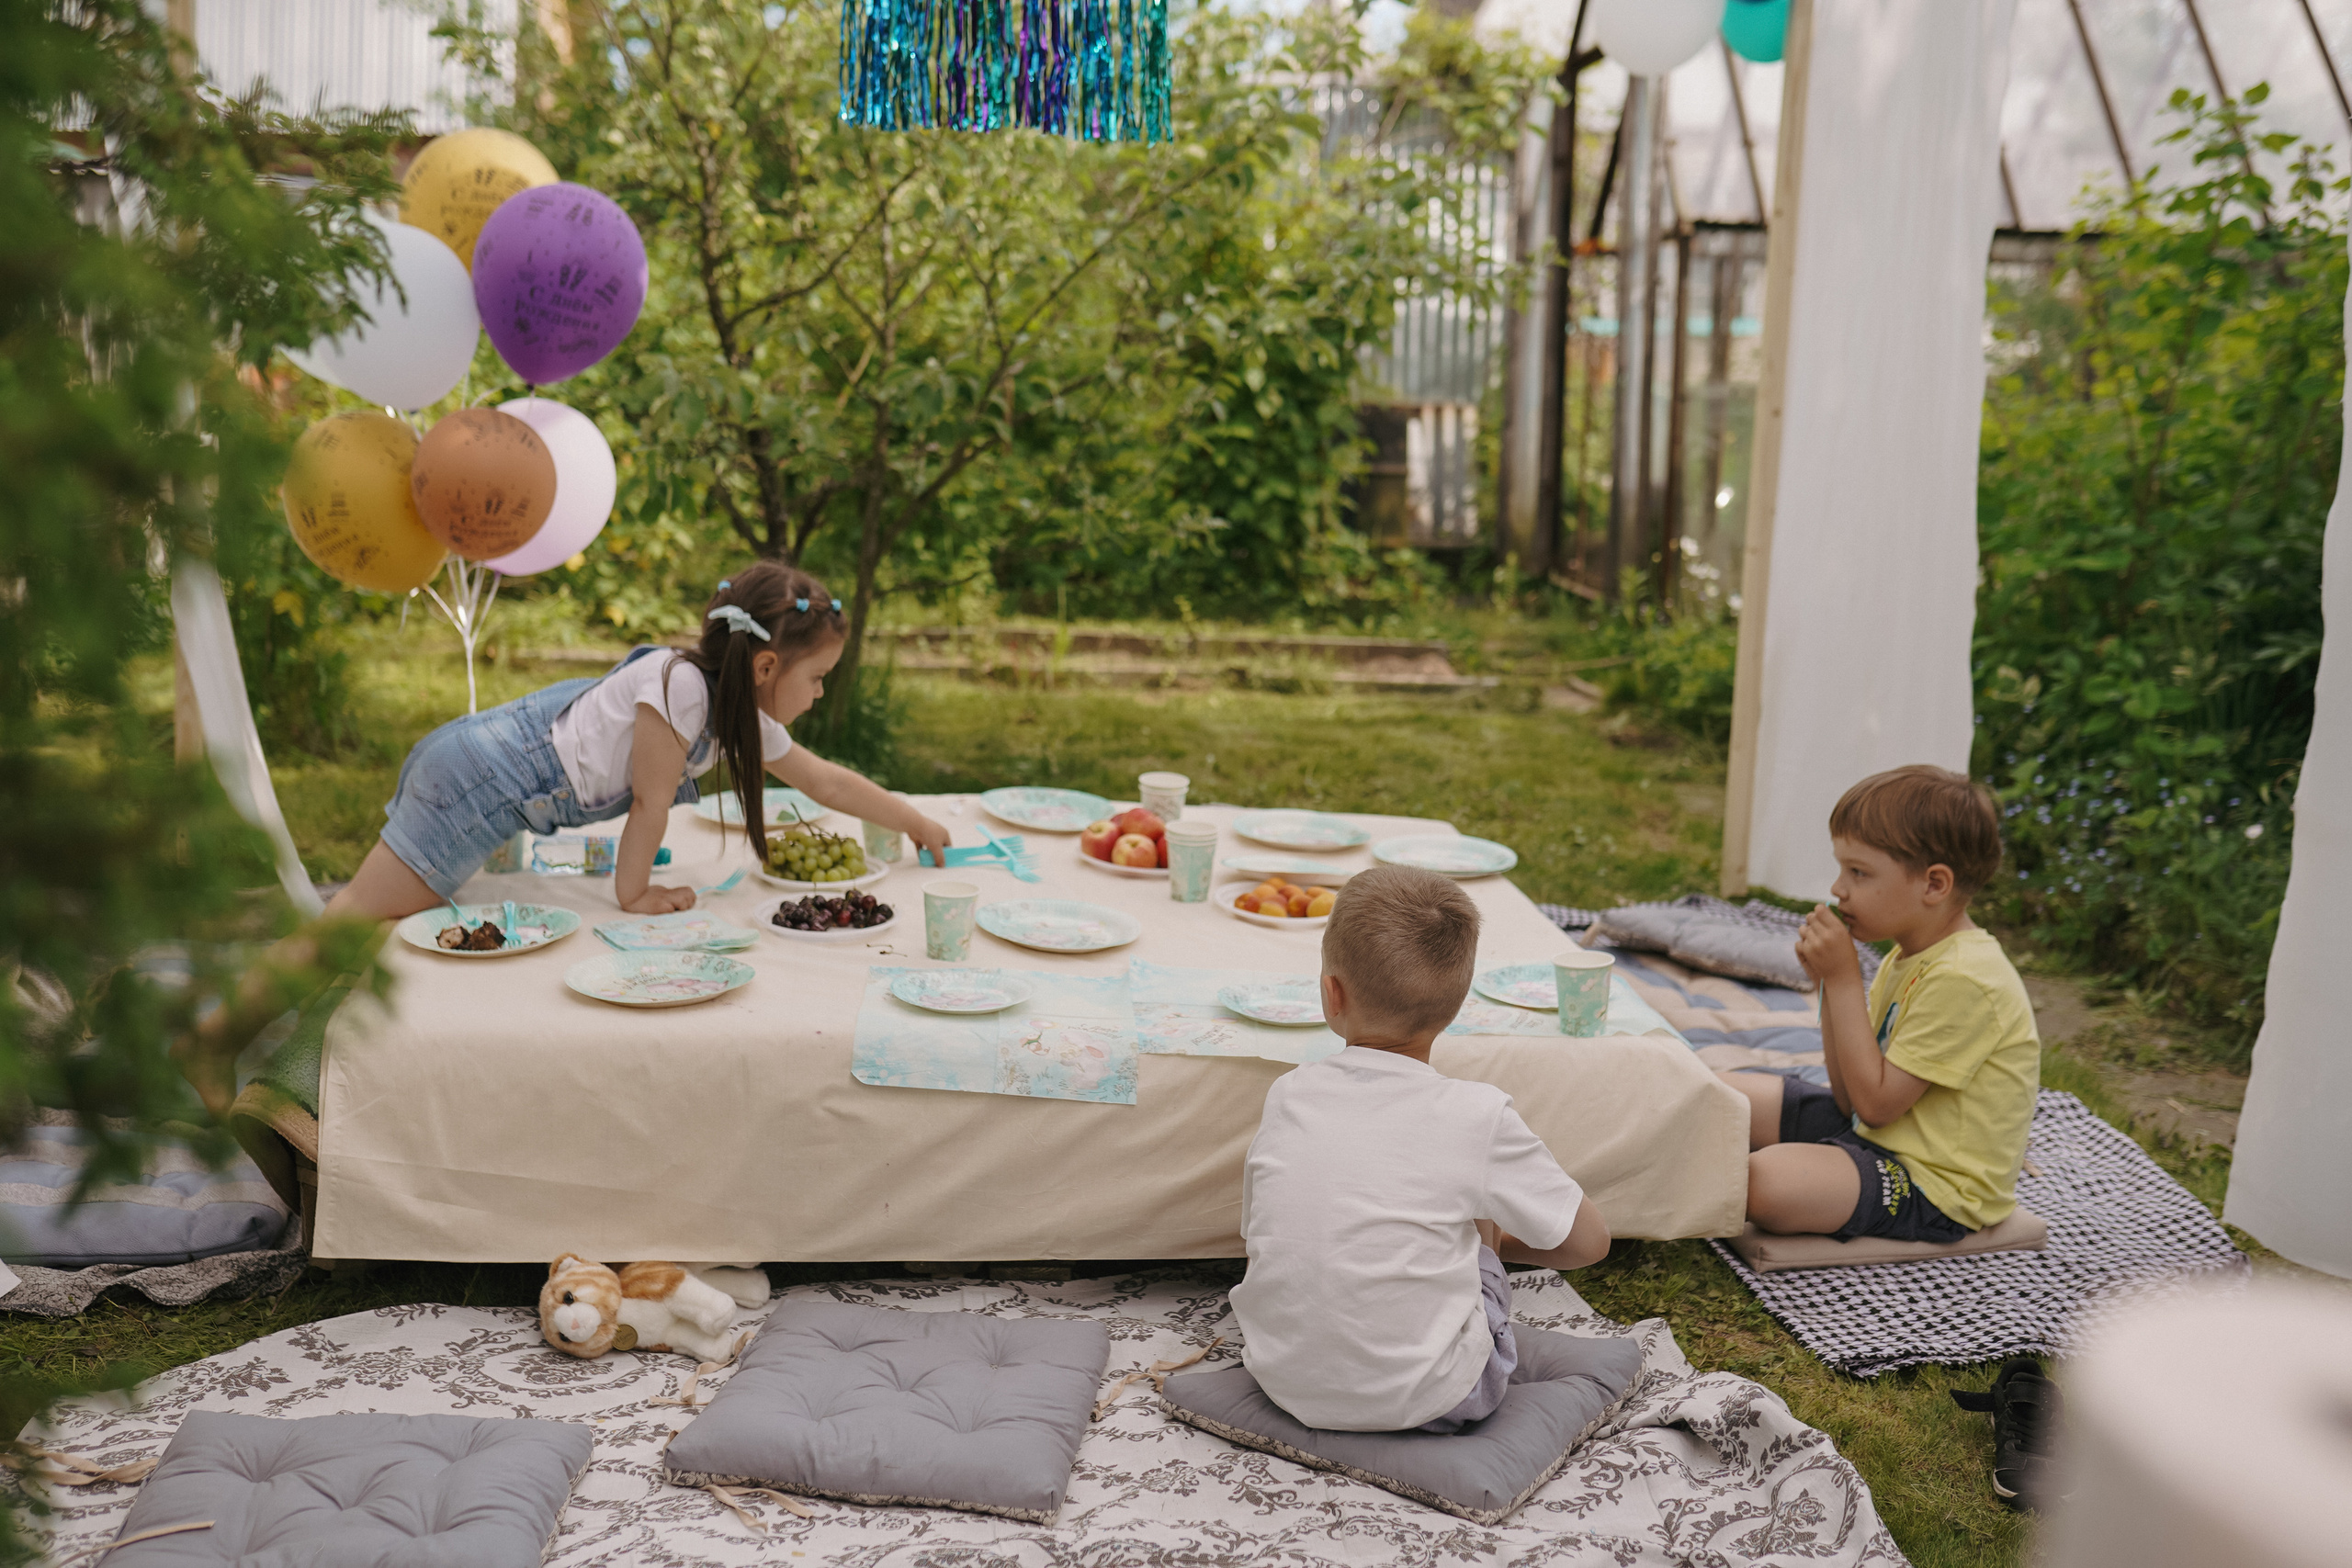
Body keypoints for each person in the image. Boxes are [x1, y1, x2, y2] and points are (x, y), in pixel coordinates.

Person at [321, 560, 951, 922]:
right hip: (479, 783)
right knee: (357, 915)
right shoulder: (681, 690)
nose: (817, 694)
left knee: (381, 916)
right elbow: (651, 803)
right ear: (765, 668)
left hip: (483, 776)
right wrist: (635, 893)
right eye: (816, 678)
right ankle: (229, 1030)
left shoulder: (733, 707)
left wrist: (914, 819)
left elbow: (825, 781)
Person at [1229, 865, 1611, 1434]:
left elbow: (1261, 1226)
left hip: (1282, 1381)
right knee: (1473, 1202)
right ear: (1455, 1006)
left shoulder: (1288, 1093)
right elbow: (1590, 1243)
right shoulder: (1477, 1114)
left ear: (1331, 994)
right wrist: (1491, 1247)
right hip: (1441, 1398)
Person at [1717, 764, 2039, 1243]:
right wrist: (1830, 986)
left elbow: (1875, 1106)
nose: (1837, 888)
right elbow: (1850, 1097)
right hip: (1875, 1131)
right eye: (1842, 868)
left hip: (1934, 1182)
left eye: (1859, 872)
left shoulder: (1967, 979)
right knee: (1720, 1096)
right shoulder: (1905, 956)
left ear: (1934, 885)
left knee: (1765, 1182)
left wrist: (1845, 981)